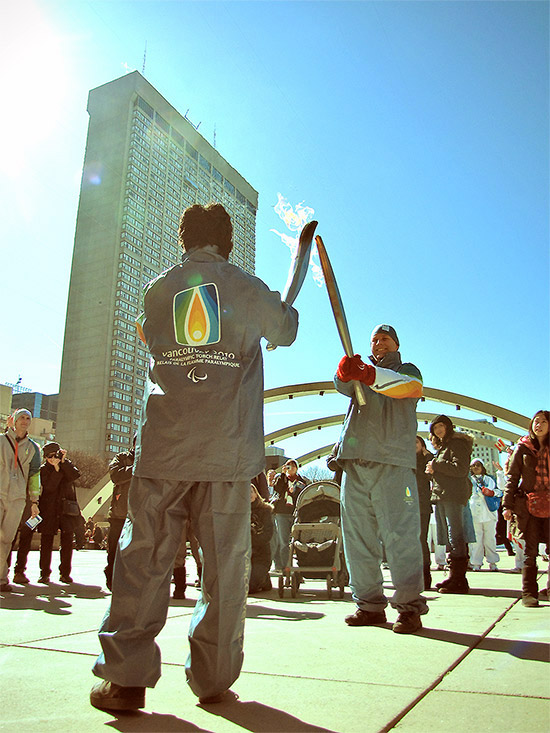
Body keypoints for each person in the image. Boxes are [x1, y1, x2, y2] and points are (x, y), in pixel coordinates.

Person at [90, 202, 298, 712]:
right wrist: (279, 310)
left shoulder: (159, 289)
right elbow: (286, 331)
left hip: (164, 445)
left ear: (184, 239)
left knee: (143, 560)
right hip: (226, 451)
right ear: (227, 241)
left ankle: (125, 678)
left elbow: (147, 333)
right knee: (224, 569)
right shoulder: (249, 289)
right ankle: (214, 680)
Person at [334, 324, 427, 635]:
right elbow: (341, 385)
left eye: (384, 338)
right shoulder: (363, 372)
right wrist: (345, 373)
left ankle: (409, 607)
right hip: (354, 463)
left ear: (396, 344)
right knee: (357, 539)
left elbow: (409, 388)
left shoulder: (407, 371)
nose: (379, 343)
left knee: (400, 536)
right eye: (374, 339)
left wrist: (369, 376)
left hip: (392, 462)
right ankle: (369, 605)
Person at [503, 410, 550, 607]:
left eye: (543, 421)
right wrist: (507, 504)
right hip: (528, 504)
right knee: (530, 550)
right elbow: (512, 477)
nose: (538, 425)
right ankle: (529, 592)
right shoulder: (522, 448)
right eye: (535, 421)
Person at [426, 415, 473, 594]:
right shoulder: (445, 445)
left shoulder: (457, 444)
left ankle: (460, 580)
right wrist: (433, 470)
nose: (438, 430)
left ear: (448, 426)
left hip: (453, 495)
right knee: (448, 536)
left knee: (456, 536)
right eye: (435, 428)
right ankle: (454, 576)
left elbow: (460, 469)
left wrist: (435, 465)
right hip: (443, 494)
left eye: (440, 426)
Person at [0, 409, 41, 592]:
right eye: (21, 418)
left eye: (27, 418)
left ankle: (1, 578)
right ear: (14, 421)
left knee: (7, 539)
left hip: (17, 498)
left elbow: (34, 475)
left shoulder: (33, 448)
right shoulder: (1, 441)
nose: (24, 421)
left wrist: (34, 501)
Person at [36, 442, 81, 584]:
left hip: (66, 509)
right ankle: (44, 573)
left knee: (67, 542)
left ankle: (65, 573)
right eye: (48, 457)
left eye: (54, 455)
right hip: (49, 509)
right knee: (46, 541)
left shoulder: (66, 465)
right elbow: (49, 488)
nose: (52, 459)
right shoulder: (43, 470)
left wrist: (63, 463)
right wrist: (56, 470)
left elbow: (75, 475)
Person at [104, 438, 135, 590]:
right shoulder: (122, 458)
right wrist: (137, 467)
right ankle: (111, 577)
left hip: (142, 513)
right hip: (120, 513)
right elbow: (115, 476)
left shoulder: (153, 459)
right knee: (115, 549)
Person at [271, 460, 307, 572]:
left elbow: (304, 494)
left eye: (292, 466)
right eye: (288, 466)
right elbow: (277, 489)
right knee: (283, 541)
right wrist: (282, 475)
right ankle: (284, 567)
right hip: (282, 512)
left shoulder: (301, 481)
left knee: (299, 541)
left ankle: (301, 567)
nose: (290, 469)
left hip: (296, 512)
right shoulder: (281, 478)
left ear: (297, 468)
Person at [468, 459, 502, 571]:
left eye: (478, 465)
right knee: (476, 540)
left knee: (490, 539)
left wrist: (491, 493)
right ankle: (476, 563)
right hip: (474, 514)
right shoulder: (468, 480)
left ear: (482, 467)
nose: (476, 467)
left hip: (488, 513)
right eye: (473, 466)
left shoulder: (490, 479)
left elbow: (500, 492)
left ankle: (493, 562)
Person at [415, 436, 434, 589]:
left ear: (423, 445)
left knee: (421, 540)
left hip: (422, 505)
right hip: (406, 504)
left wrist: (427, 454)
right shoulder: (405, 460)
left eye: (416, 442)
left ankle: (425, 576)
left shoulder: (427, 460)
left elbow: (432, 472)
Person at [249, 484, 274, 593]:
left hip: (260, 556)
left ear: (256, 494)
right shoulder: (236, 512)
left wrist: (251, 543)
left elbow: (268, 534)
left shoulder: (265, 510)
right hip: (242, 557)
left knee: (250, 588)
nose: (248, 494)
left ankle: (264, 579)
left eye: (251, 491)